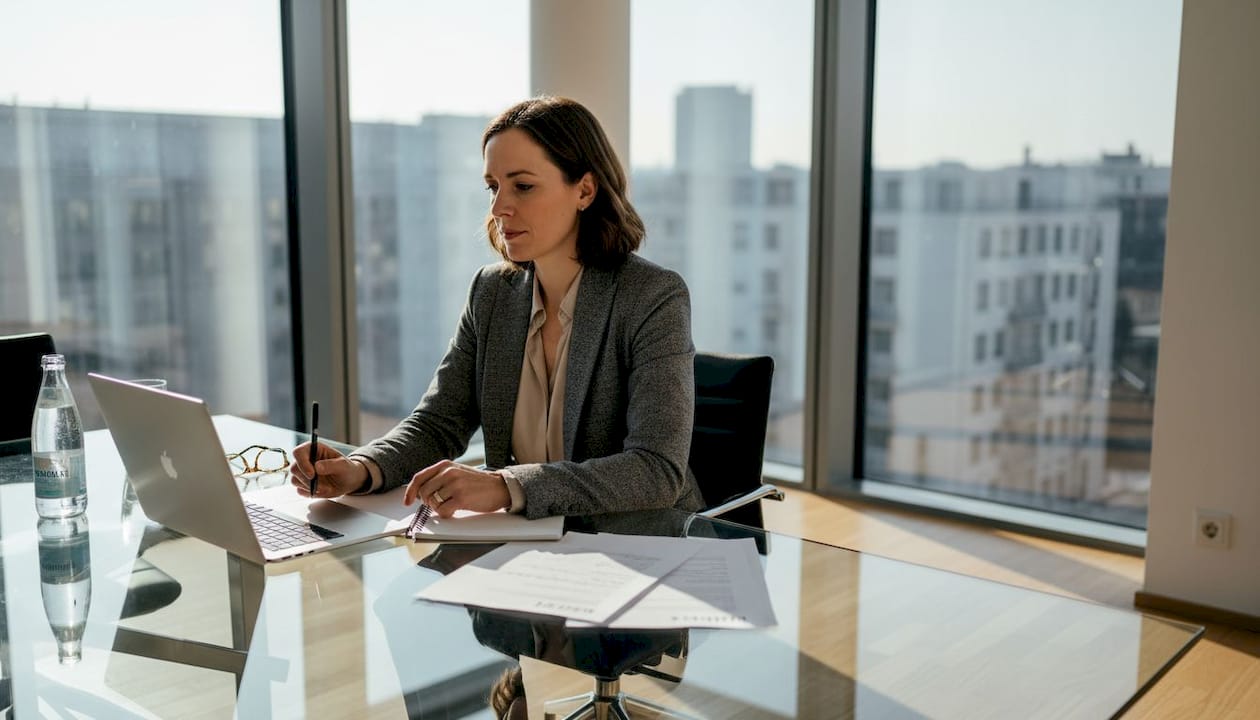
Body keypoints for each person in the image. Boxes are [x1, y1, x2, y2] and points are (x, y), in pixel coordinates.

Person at [290, 95, 703, 520]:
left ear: (584, 190)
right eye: (493, 187)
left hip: (639, 541)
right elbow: (439, 422)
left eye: (522, 186)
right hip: (528, 541)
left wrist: (507, 486)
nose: (498, 207)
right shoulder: (492, 293)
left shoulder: (651, 297)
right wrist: (361, 468)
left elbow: (655, 470)